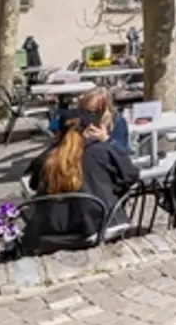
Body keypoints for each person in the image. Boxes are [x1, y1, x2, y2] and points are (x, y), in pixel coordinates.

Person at [22, 106, 140, 253]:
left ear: (59, 131)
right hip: (102, 225)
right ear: (89, 129)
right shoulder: (102, 150)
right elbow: (132, 176)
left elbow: (33, 185)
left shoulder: (46, 158)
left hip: (57, 232)